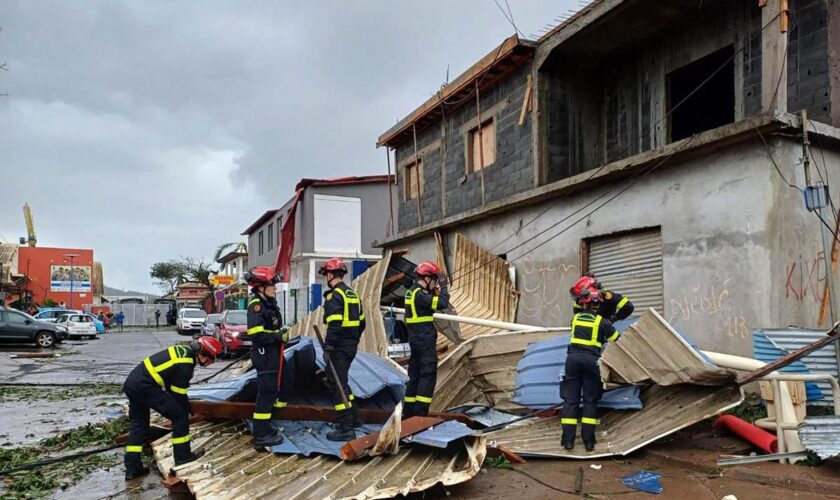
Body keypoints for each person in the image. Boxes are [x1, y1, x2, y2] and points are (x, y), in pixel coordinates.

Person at [122, 336, 222, 480]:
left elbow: (170, 386)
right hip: (145, 387)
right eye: (211, 358)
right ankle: (183, 457)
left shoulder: (182, 351)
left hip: (132, 385)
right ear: (203, 353)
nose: (211, 363)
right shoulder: (186, 363)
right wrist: (187, 409)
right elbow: (177, 392)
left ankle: (132, 469)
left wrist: (182, 404)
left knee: (138, 426)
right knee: (180, 417)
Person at [561, 287, 620, 452]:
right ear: (598, 305)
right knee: (590, 401)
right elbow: (616, 339)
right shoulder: (602, 322)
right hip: (591, 362)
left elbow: (577, 306)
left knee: (570, 401)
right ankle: (588, 442)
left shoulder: (575, 319)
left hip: (572, 361)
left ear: (583, 304)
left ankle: (568, 441)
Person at [319, 258, 366, 441]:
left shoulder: (334, 296)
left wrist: (329, 347)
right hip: (350, 344)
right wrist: (353, 339)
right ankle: (355, 418)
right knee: (342, 381)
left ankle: (346, 428)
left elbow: (334, 324)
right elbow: (362, 322)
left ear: (330, 275)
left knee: (336, 384)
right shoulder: (352, 294)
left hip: (338, 346)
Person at [244, 266, 287, 449]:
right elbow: (256, 334)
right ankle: (261, 435)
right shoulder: (257, 306)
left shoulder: (268, 303)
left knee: (271, 392)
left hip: (272, 353)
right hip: (265, 355)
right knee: (266, 393)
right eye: (272, 285)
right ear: (261, 286)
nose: (275, 288)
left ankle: (266, 428)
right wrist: (278, 337)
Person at [402, 261, 449, 418]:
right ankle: (420, 415)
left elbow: (425, 307)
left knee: (414, 376)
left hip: (415, 340)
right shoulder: (420, 294)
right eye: (435, 279)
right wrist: (444, 288)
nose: (435, 282)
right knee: (427, 375)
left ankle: (408, 414)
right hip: (424, 340)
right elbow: (442, 303)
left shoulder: (412, 292)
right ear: (428, 278)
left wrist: (433, 292)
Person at [570, 274, 634, 322]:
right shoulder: (578, 301)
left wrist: (613, 319)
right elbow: (577, 317)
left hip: (606, 330)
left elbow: (628, 307)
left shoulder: (607, 296)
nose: (580, 302)